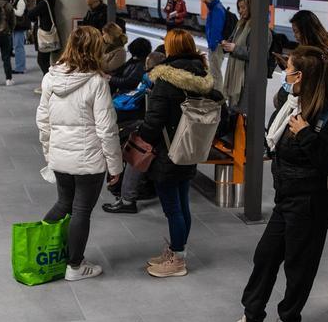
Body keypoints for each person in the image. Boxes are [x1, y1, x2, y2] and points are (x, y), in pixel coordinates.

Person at [217, 46, 328, 322]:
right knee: (266, 255)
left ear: (300, 75)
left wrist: (304, 134)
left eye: (287, 70)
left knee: (299, 265)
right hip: (287, 197)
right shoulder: (293, 103)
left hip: (312, 202)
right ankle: (252, 320)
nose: (283, 75)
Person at [37, 26, 123, 281]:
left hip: (61, 156)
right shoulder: (96, 83)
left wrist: (49, 153)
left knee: (64, 203)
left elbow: (43, 120)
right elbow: (107, 129)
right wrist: (115, 167)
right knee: (81, 210)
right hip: (89, 161)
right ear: (96, 50)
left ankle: (40, 247)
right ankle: (75, 266)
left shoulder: (50, 77)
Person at [138, 29, 223, 278]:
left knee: (172, 208)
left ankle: (177, 259)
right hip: (192, 148)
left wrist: (141, 136)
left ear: (171, 49)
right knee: (183, 203)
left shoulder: (166, 81)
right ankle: (178, 251)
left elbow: (153, 122)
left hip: (168, 151)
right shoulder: (203, 76)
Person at [103, 49, 163, 215]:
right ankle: (121, 189)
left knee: (136, 151)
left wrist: (142, 131)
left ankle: (127, 198)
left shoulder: (158, 83)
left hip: (165, 135)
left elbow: (155, 118)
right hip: (171, 133)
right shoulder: (161, 81)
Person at [273, 10, 328, 109]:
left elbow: (303, 82)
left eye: (296, 31)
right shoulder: (322, 50)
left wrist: (290, 67)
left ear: (307, 31)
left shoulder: (311, 56)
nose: (295, 36)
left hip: (305, 104)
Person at [220, 0, 253, 107]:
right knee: (234, 108)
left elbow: (255, 54)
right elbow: (232, 40)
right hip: (236, 75)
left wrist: (235, 48)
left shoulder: (257, 27)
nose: (240, 11)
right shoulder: (240, 24)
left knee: (241, 111)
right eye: (239, 8)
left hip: (245, 78)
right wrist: (226, 44)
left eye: (243, 7)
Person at [30, 0, 59, 82]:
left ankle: (49, 82)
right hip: (48, 34)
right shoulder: (48, 2)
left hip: (44, 35)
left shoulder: (43, 3)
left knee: (42, 61)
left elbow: (31, 14)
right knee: (45, 60)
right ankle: (48, 81)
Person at [201, 0, 227, 90]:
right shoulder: (213, 8)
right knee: (214, 72)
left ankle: (218, 96)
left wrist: (212, 45)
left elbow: (216, 29)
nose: (204, 1)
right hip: (214, 45)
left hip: (216, 46)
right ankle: (216, 93)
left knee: (216, 73)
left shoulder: (217, 9)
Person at [11, 0, 30, 75]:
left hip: (20, 26)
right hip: (17, 26)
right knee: (18, 47)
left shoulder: (21, 1)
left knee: (19, 47)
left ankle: (20, 68)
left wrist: (11, 9)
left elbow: (19, 13)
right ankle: (20, 66)